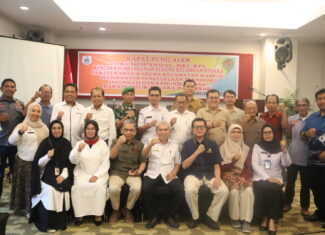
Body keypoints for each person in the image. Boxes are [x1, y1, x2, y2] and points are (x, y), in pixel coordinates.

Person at [182, 118, 229, 230]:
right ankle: (195, 217)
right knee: (189, 190)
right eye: (196, 127)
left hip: (210, 174)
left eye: (201, 127)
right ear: (192, 130)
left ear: (205, 129)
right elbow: (184, 165)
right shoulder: (187, 144)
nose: (199, 129)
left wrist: (218, 178)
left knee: (224, 191)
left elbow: (217, 164)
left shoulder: (212, 144)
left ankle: (210, 217)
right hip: (193, 174)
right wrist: (197, 152)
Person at [30, 120, 73, 233]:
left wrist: (63, 176)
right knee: (50, 190)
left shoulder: (67, 144)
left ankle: (59, 223)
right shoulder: (45, 143)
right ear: (50, 129)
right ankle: (47, 223)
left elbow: (70, 164)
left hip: (62, 174)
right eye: (54, 128)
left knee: (62, 189)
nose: (57, 130)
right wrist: (47, 157)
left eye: (59, 128)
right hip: (45, 174)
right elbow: (38, 164)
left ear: (62, 129)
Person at [8, 103, 49, 216]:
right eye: (33, 110)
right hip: (24, 162)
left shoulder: (44, 127)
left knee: (38, 187)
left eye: (38, 111)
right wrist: (20, 132)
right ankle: (26, 209)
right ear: (28, 111)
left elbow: (47, 143)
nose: (35, 113)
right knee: (25, 187)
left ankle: (36, 209)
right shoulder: (21, 125)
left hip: (40, 163)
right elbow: (11, 141)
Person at [141, 121, 183, 229]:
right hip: (152, 173)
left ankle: (169, 216)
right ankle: (153, 216)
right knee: (145, 190)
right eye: (160, 130)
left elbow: (178, 162)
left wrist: (173, 173)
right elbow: (144, 155)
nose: (163, 132)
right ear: (156, 131)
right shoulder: (150, 141)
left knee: (180, 191)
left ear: (169, 132)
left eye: (165, 130)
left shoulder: (174, 145)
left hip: (169, 174)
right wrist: (151, 144)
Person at [252, 124, 291, 235]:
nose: (268, 135)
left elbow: (287, 163)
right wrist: (268, 178)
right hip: (260, 177)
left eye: (270, 132)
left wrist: (284, 151)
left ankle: (272, 220)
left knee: (274, 189)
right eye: (265, 132)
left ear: (273, 134)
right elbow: (255, 164)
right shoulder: (257, 146)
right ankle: (265, 217)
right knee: (267, 188)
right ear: (262, 134)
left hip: (276, 176)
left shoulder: (279, 146)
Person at [69, 120, 110, 226]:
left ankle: (98, 214)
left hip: (99, 174)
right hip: (82, 173)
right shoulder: (79, 143)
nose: (90, 131)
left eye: (92, 129)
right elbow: (73, 161)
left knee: (98, 188)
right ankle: (80, 214)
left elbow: (105, 163)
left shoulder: (102, 144)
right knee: (78, 187)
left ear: (96, 130)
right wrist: (78, 151)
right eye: (88, 129)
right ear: (85, 130)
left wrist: (96, 176)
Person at [109, 121, 146, 223]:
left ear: (135, 132)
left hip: (133, 172)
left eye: (131, 130)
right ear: (121, 131)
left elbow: (143, 161)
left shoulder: (140, 145)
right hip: (117, 172)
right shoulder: (115, 141)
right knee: (113, 189)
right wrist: (119, 143)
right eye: (126, 130)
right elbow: (112, 156)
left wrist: (139, 171)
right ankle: (116, 210)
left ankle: (127, 209)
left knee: (137, 188)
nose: (128, 132)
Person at [220, 124, 254, 233]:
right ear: (229, 134)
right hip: (228, 174)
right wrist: (233, 159)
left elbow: (249, 167)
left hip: (244, 173)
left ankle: (246, 221)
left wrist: (244, 177)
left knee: (248, 191)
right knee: (234, 191)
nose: (236, 134)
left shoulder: (246, 148)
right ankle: (234, 218)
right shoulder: (223, 148)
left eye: (238, 132)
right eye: (233, 132)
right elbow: (222, 167)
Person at [300, 89, 325, 228]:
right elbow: (301, 135)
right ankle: (321, 213)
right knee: (316, 188)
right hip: (312, 161)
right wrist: (306, 134)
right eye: (319, 99)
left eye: (324, 98)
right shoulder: (312, 117)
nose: (322, 101)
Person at [283, 98, 311, 216]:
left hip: (307, 158)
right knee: (290, 183)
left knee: (306, 185)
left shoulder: (312, 119)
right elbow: (288, 136)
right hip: (292, 157)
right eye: (299, 105)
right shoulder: (291, 118)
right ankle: (287, 203)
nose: (301, 107)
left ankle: (304, 207)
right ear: (296, 107)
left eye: (304, 105)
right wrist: (290, 125)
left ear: (308, 106)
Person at [0, 78, 24, 199]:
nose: (9, 89)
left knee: (16, 175)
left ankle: (16, 202)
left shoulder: (20, 104)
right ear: (1, 88)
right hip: (1, 145)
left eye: (12, 87)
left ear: (15, 89)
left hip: (16, 146)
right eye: (7, 86)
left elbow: (25, 121)